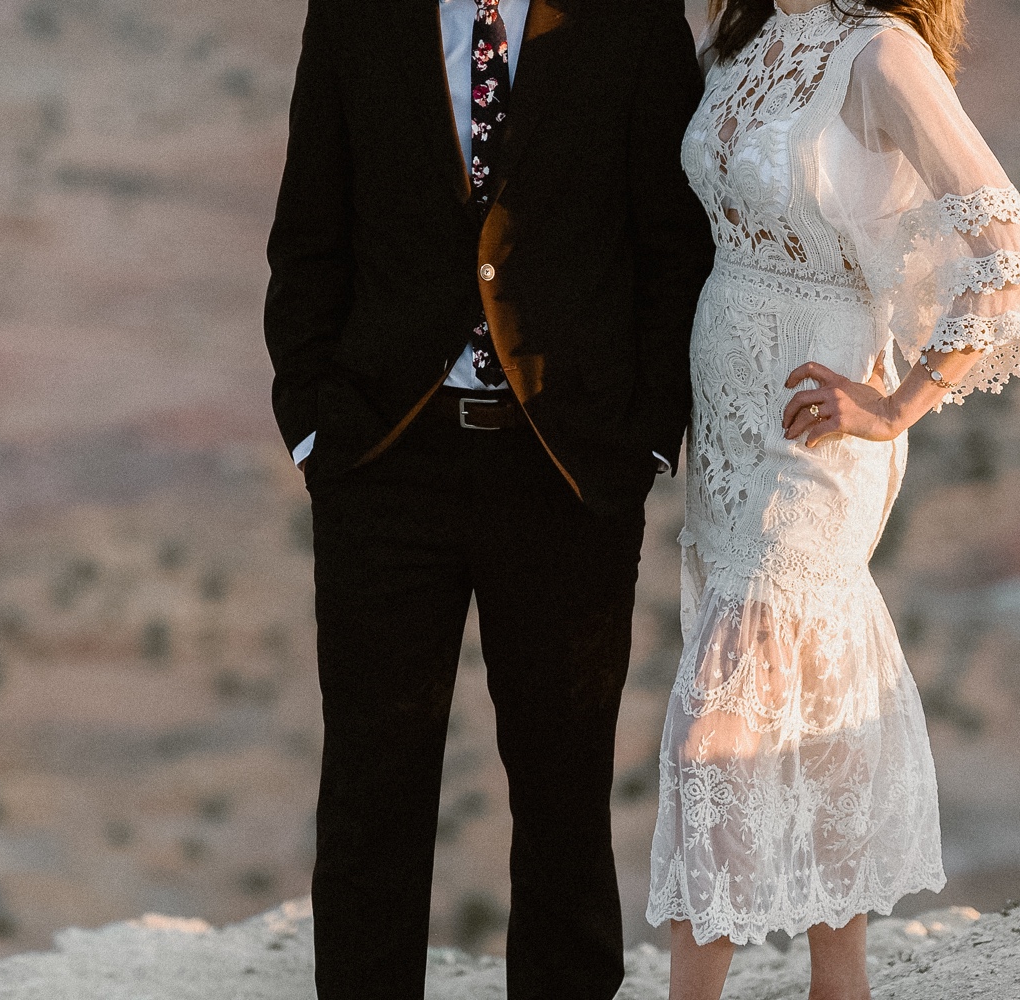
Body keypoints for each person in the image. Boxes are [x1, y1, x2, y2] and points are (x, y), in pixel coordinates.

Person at [262, 0, 714, 996]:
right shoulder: (353, 17)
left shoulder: (632, 21)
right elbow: (308, 233)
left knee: (563, 791)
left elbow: (671, 246)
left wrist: (641, 435)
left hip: (563, 471)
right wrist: (314, 431)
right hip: (385, 464)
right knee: (373, 787)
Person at [645, 1, 1020, 998]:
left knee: (718, 735)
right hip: (727, 421)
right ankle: (843, 986)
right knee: (798, 694)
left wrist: (898, 402)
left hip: (817, 424)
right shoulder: (735, 28)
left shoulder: (879, 53)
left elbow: (1008, 252)